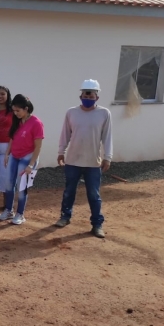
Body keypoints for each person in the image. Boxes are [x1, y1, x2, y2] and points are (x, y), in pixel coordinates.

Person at [55, 79, 113, 238]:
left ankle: (97, 224)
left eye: (91, 93)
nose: (87, 96)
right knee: (69, 192)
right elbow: (65, 134)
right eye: (85, 93)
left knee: (94, 194)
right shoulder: (71, 112)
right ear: (80, 95)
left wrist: (108, 157)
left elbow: (107, 137)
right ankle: (65, 217)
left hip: (93, 162)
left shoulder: (104, 114)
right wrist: (61, 152)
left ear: (97, 97)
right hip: (73, 160)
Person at [0, 94, 44, 225]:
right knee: (8, 184)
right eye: (14, 110)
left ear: (26, 108)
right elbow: (12, 137)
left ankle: (20, 213)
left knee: (21, 187)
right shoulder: (17, 120)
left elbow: (38, 146)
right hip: (15, 156)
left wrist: (31, 164)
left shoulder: (36, 123)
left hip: (27, 157)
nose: (15, 113)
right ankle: (8, 210)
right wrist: (7, 153)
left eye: (18, 110)